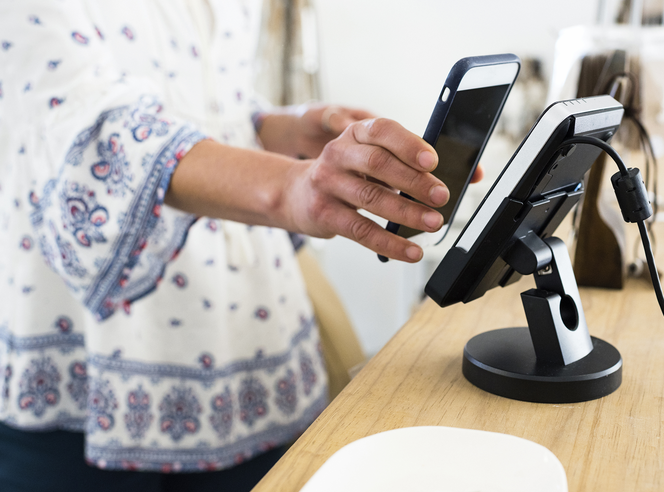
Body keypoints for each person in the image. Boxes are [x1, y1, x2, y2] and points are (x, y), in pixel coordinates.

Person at [0, 1, 475, 490]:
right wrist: (289, 187)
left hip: (249, 349)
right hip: (92, 369)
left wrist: (280, 128)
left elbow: (204, 92)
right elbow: (98, 135)